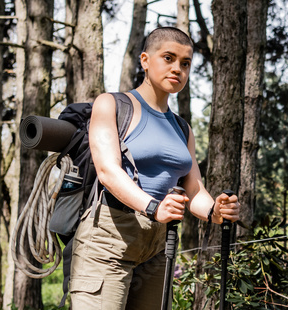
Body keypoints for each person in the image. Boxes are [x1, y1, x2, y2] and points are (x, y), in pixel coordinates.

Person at [70, 26, 240, 309]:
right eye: (168, 58)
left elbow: (194, 189)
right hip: (108, 241)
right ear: (145, 60)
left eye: (185, 63)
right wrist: (153, 207)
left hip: (158, 246)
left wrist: (215, 211)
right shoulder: (112, 104)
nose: (178, 69)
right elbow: (108, 172)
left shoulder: (182, 128)